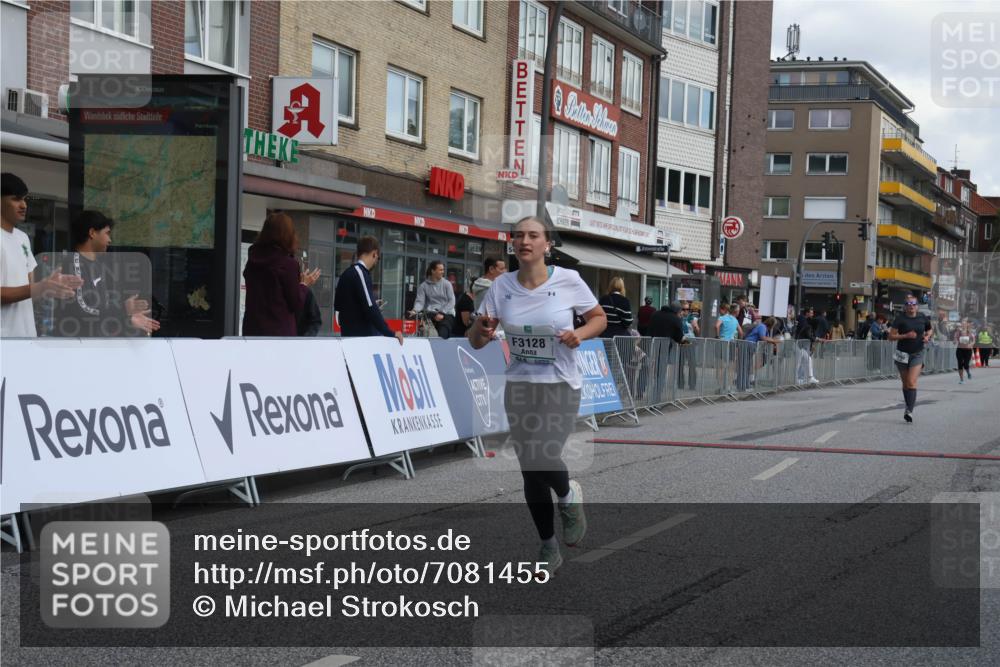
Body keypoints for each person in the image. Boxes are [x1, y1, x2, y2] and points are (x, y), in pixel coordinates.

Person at [468, 216, 607, 579]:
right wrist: (480, 329)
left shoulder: (568, 281)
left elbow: (599, 318)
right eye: (518, 236)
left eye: (533, 235)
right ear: (513, 245)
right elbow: (477, 339)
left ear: (548, 245)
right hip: (520, 386)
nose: (524, 241)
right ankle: (548, 544)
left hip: (559, 383)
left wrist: (581, 333)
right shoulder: (501, 286)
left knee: (544, 454)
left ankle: (567, 494)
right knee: (530, 471)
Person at [51, 210, 159, 337]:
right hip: (76, 348)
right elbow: (83, 309)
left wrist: (128, 319)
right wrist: (124, 309)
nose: (110, 240)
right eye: (107, 233)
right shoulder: (73, 263)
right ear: (92, 233)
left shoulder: (97, 265)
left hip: (95, 345)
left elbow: (101, 310)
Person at [1, 173, 82, 337]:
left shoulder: (22, 238)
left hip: (26, 336)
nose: (24, 205)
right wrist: (41, 287)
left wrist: (50, 287)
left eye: (25, 199)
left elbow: (30, 287)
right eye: (16, 199)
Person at [242, 213, 319, 336]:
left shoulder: (252, 260)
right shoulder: (288, 264)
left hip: (252, 331)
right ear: (287, 235)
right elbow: (295, 304)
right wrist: (304, 285)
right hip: (279, 335)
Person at [334, 235, 404, 344]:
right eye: (378, 258)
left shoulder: (346, 273)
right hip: (362, 338)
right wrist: (390, 332)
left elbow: (338, 306)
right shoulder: (361, 273)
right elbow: (370, 308)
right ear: (374, 253)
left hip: (348, 337)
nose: (376, 262)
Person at [887, 295, 932, 423]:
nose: (911, 306)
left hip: (917, 353)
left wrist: (927, 337)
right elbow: (890, 337)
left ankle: (909, 411)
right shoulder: (900, 319)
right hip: (902, 354)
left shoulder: (922, 317)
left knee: (912, 382)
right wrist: (906, 335)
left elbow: (930, 330)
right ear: (905, 307)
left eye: (913, 304)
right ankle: (908, 405)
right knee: (905, 383)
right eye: (908, 304)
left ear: (917, 306)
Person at [411, 259, 455, 339]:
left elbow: (452, 301)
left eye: (443, 270)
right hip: (431, 314)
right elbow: (420, 302)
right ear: (433, 271)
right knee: (426, 334)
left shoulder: (447, 284)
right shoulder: (423, 286)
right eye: (440, 270)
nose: (443, 272)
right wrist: (415, 310)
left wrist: (442, 313)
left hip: (446, 314)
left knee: (442, 335)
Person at [795, 307, 820, 384]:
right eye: (811, 312)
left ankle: (806, 378)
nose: (812, 314)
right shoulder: (803, 320)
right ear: (807, 313)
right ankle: (799, 379)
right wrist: (815, 339)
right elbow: (806, 333)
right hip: (799, 344)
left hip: (801, 344)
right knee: (799, 362)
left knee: (805, 360)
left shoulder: (804, 320)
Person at [954, 319, 975, 384]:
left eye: (964, 324)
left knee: (966, 364)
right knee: (960, 364)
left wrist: (971, 344)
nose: (963, 325)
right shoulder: (958, 332)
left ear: (967, 325)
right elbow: (955, 339)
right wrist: (955, 341)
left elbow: (973, 341)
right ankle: (961, 379)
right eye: (962, 324)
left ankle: (968, 373)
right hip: (960, 349)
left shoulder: (970, 332)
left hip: (968, 350)